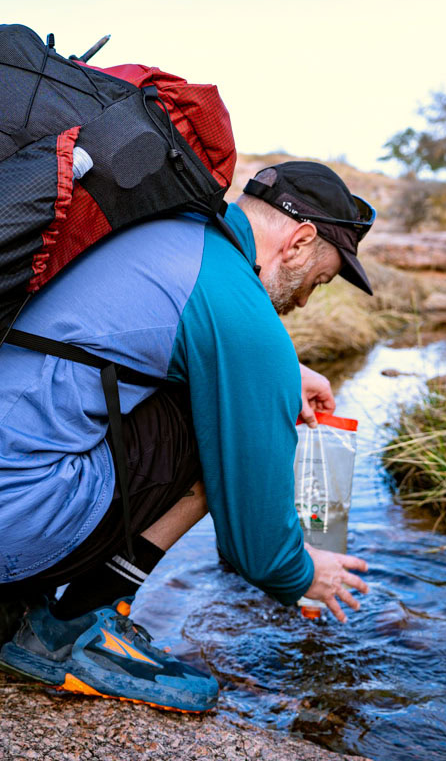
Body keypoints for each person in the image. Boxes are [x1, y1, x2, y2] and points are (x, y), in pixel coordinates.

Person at [0, 160, 374, 713]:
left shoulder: (171, 231)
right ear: (299, 242)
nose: (303, 303)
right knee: (215, 430)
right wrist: (304, 574)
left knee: (201, 400)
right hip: (14, 521)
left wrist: (284, 372)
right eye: (317, 282)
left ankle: (47, 608)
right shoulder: (243, 310)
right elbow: (258, 550)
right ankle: (69, 630)